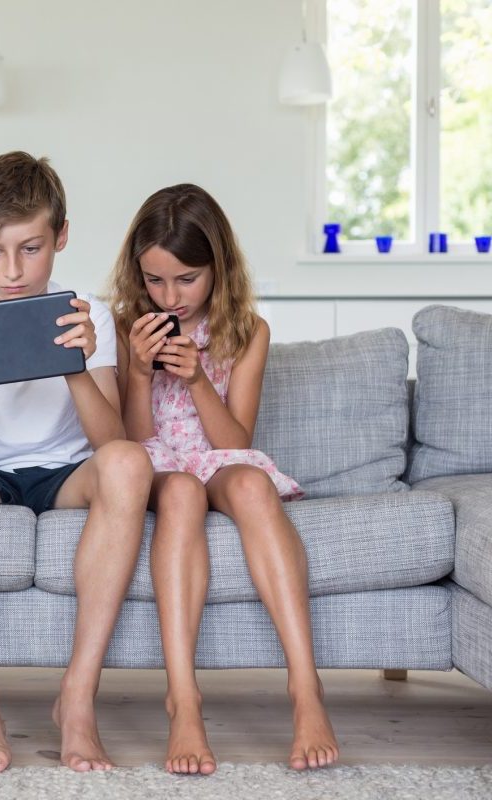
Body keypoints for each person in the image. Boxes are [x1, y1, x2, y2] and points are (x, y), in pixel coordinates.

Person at [0, 151, 153, 773]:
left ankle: (77, 698)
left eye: (31, 248)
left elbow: (111, 441)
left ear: (61, 237)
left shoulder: (89, 313)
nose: (12, 271)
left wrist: (73, 365)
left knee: (128, 464)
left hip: (67, 471)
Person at [107, 183, 339, 774]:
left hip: (216, 456)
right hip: (160, 463)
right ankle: (183, 700)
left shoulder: (247, 331)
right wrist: (138, 371)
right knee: (181, 492)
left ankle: (306, 689)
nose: (170, 296)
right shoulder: (125, 324)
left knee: (253, 485)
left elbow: (236, 443)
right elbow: (131, 441)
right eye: (155, 280)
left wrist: (196, 380)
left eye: (186, 279)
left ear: (218, 268)